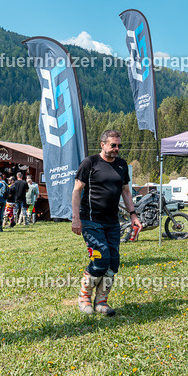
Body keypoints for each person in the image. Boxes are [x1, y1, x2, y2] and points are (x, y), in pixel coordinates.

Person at [72, 129, 141, 316]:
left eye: (119, 145)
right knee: (100, 259)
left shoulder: (121, 165)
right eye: (113, 145)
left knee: (113, 263)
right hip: (91, 221)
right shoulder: (90, 162)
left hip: (113, 223)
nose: (116, 148)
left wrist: (133, 215)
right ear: (103, 145)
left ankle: (101, 302)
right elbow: (77, 190)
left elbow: (126, 191)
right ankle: (84, 297)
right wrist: (76, 218)